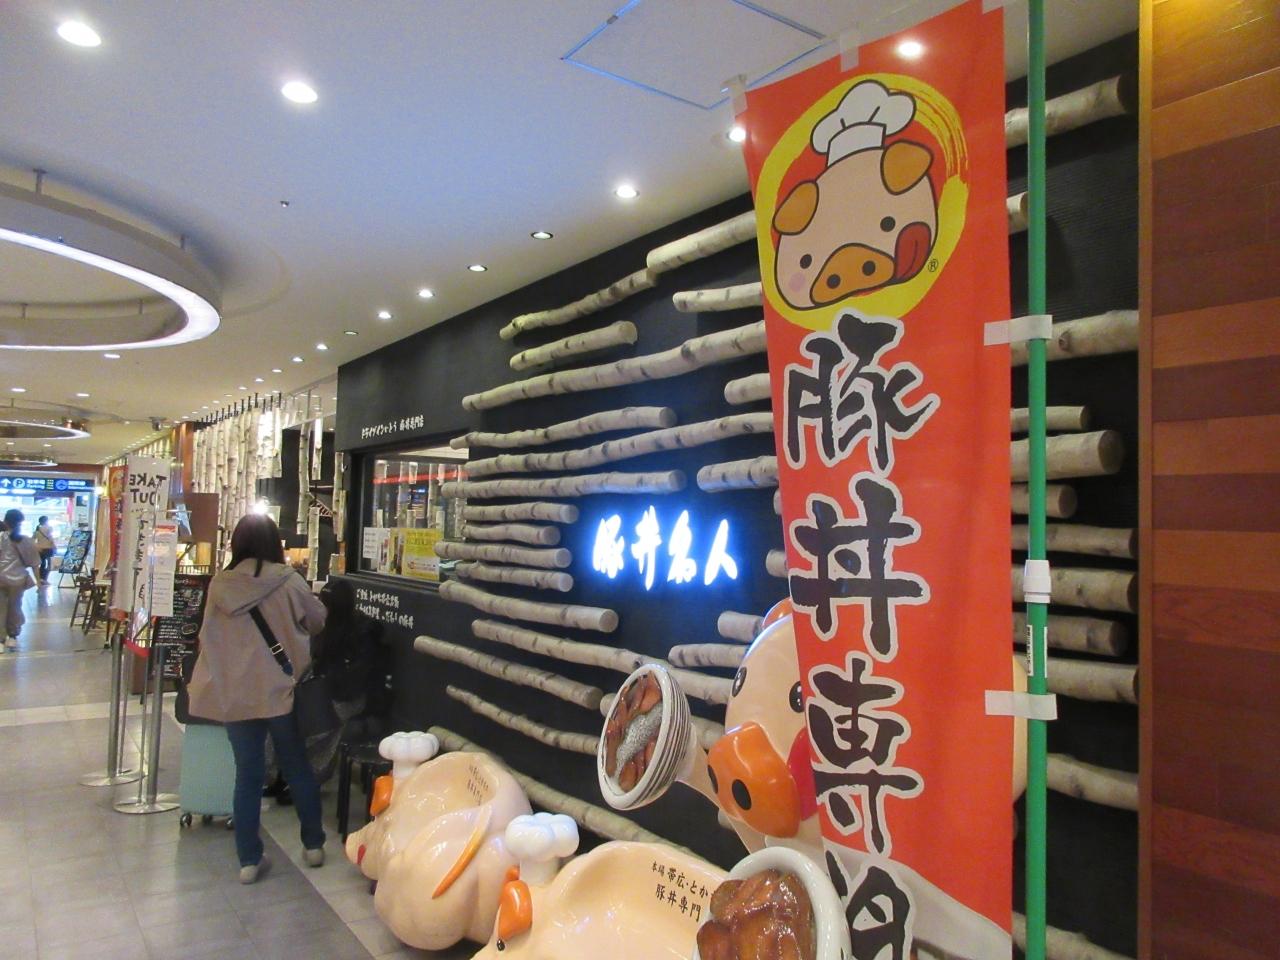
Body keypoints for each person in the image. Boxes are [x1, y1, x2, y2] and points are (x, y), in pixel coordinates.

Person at [187, 513, 328, 883]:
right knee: (297, 767)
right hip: (281, 691)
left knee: (247, 776)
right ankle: (313, 844)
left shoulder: (220, 585)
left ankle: (249, 860)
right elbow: (317, 620)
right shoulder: (289, 581)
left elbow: (206, 638)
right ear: (273, 543)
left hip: (236, 695)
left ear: (237, 543)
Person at [0, 509, 40, 651]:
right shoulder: (26, 540)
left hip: (0, 579)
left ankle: (1, 640)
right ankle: (13, 636)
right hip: (18, 580)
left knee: (1, 609)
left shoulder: (0, 538)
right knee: (15, 607)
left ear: (5, 522)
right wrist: (39, 582)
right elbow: (34, 563)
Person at [33, 516, 56, 584]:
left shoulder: (37, 530)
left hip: (40, 549)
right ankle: (45, 579)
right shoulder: (49, 528)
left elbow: (32, 540)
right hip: (48, 548)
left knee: (42, 564)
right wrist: (54, 546)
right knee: (49, 564)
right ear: (46, 521)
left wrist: (37, 546)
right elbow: (51, 538)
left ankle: (41, 579)